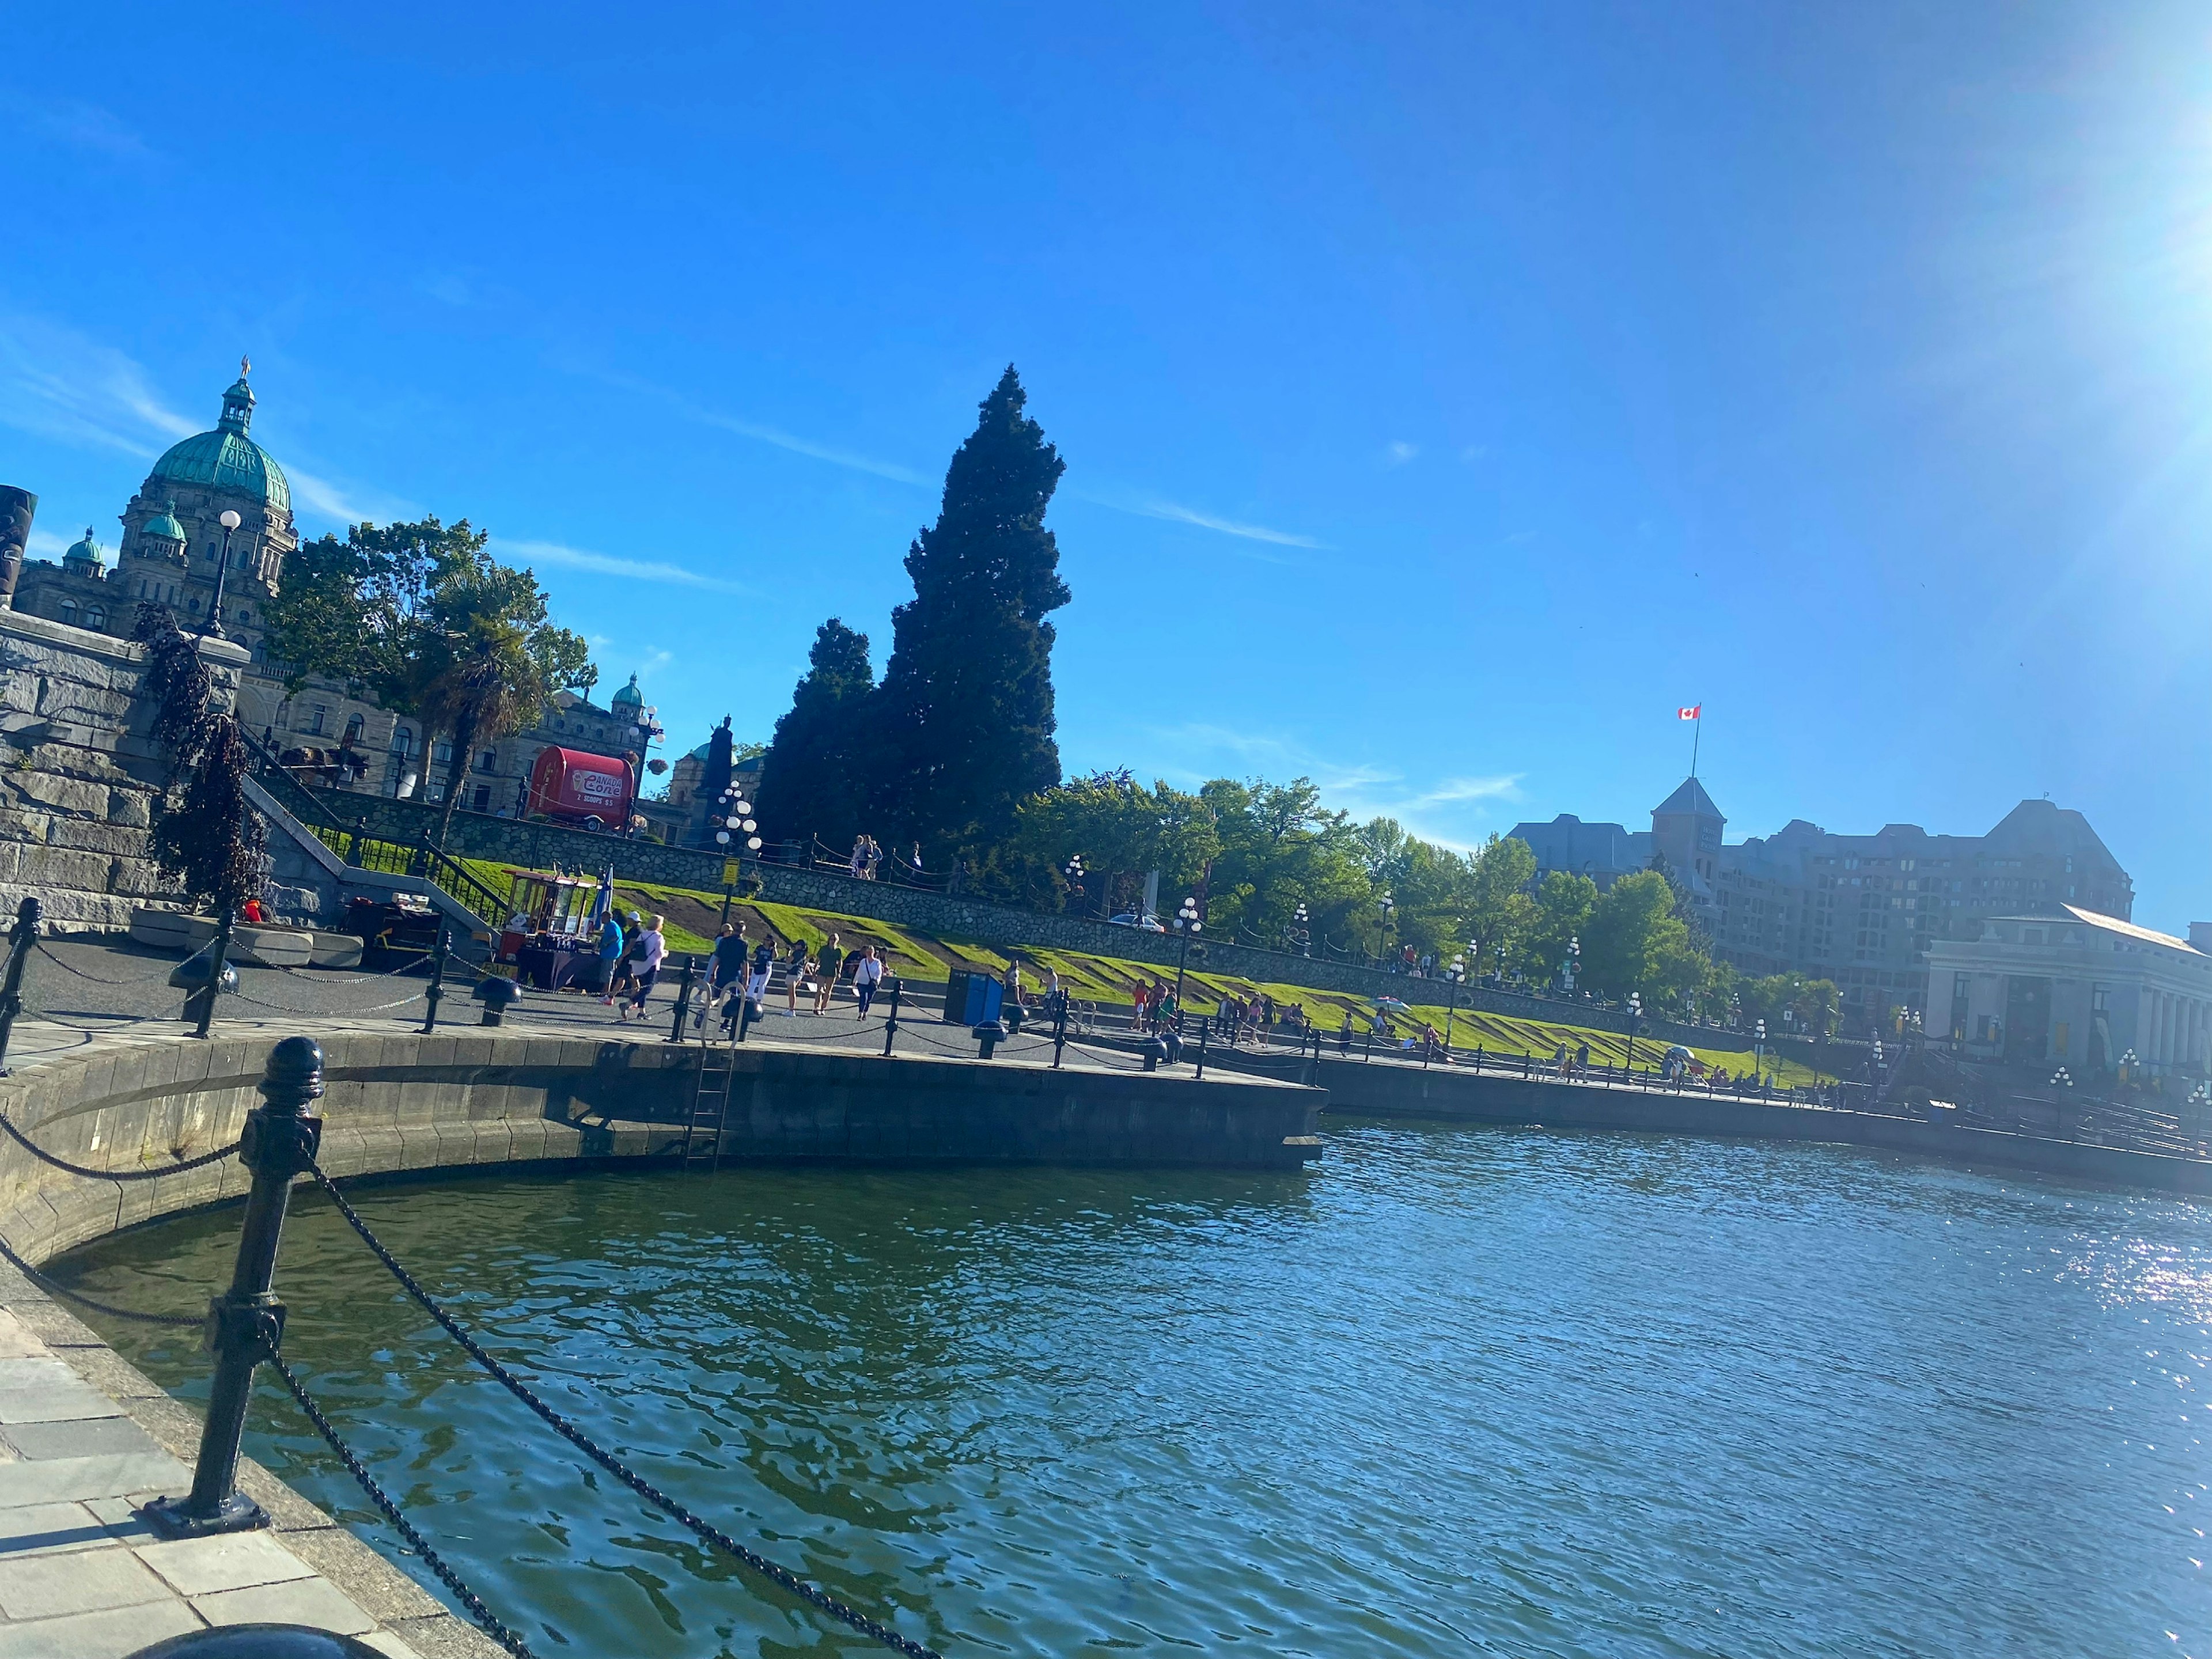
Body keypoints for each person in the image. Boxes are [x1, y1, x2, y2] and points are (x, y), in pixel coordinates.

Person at [618, 914, 666, 1022]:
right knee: (648, 989)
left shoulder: (643, 935)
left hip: (638, 964)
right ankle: (627, 1004)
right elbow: (659, 953)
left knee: (643, 988)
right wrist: (665, 954)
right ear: (659, 926)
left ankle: (642, 1012)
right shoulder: (658, 937)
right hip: (651, 965)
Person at [701, 923, 747, 1029]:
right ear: (743, 932)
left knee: (716, 997)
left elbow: (717, 958)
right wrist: (746, 979)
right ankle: (726, 1023)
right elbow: (745, 962)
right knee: (734, 999)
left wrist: (713, 973)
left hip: (722, 972)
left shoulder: (724, 941)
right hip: (735, 974)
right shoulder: (743, 944)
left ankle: (705, 1010)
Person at [594, 912, 626, 1005]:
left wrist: (606, 943)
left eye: (603, 917)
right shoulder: (608, 926)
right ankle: (604, 991)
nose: (601, 919)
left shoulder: (612, 925)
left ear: (608, 917)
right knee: (606, 971)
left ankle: (606, 993)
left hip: (611, 953)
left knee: (608, 972)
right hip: (607, 953)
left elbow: (615, 936)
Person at [813, 933, 844, 1014]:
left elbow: (840, 962)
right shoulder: (824, 949)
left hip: (832, 973)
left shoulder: (838, 951)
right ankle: (817, 1007)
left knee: (828, 991)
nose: (832, 941)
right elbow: (818, 960)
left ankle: (823, 1007)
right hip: (822, 971)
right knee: (819, 990)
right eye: (831, 939)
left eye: (834, 939)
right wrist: (814, 970)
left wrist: (839, 972)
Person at [852, 945, 885, 1016]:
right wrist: (855, 981)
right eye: (868, 952)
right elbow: (859, 971)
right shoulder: (863, 961)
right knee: (863, 998)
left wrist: (877, 981)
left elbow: (879, 973)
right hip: (862, 982)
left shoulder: (877, 962)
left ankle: (865, 1012)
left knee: (869, 999)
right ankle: (860, 1013)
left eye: (871, 952)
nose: (869, 954)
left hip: (872, 983)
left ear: (874, 953)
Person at [783, 937, 810, 1014]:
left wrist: (788, 952)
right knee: (793, 993)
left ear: (801, 946)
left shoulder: (797, 953)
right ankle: (791, 1008)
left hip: (792, 973)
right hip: (799, 974)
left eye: (798, 945)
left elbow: (788, 960)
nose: (796, 946)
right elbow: (805, 966)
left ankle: (791, 1009)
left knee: (791, 993)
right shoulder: (804, 955)